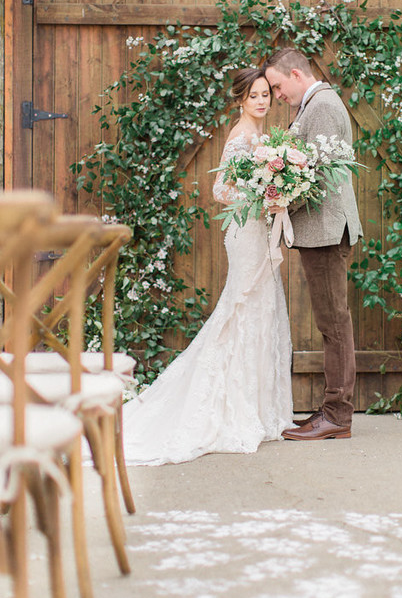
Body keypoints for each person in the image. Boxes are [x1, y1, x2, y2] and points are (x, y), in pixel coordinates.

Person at [123, 67, 293, 464]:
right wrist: (259, 193)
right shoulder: (240, 138)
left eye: (266, 93)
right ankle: (231, 406)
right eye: (254, 96)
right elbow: (220, 189)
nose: (262, 101)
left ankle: (262, 407)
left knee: (263, 309)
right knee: (242, 308)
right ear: (240, 101)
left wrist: (277, 192)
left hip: (260, 232)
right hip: (245, 234)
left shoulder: (265, 139)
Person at [264, 48, 362, 441]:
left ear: (295, 74)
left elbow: (316, 176)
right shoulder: (315, 104)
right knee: (332, 322)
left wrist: (281, 202)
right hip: (321, 231)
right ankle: (331, 411)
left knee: (334, 323)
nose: (276, 95)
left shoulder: (320, 106)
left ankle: (337, 414)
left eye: (276, 86)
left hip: (325, 231)